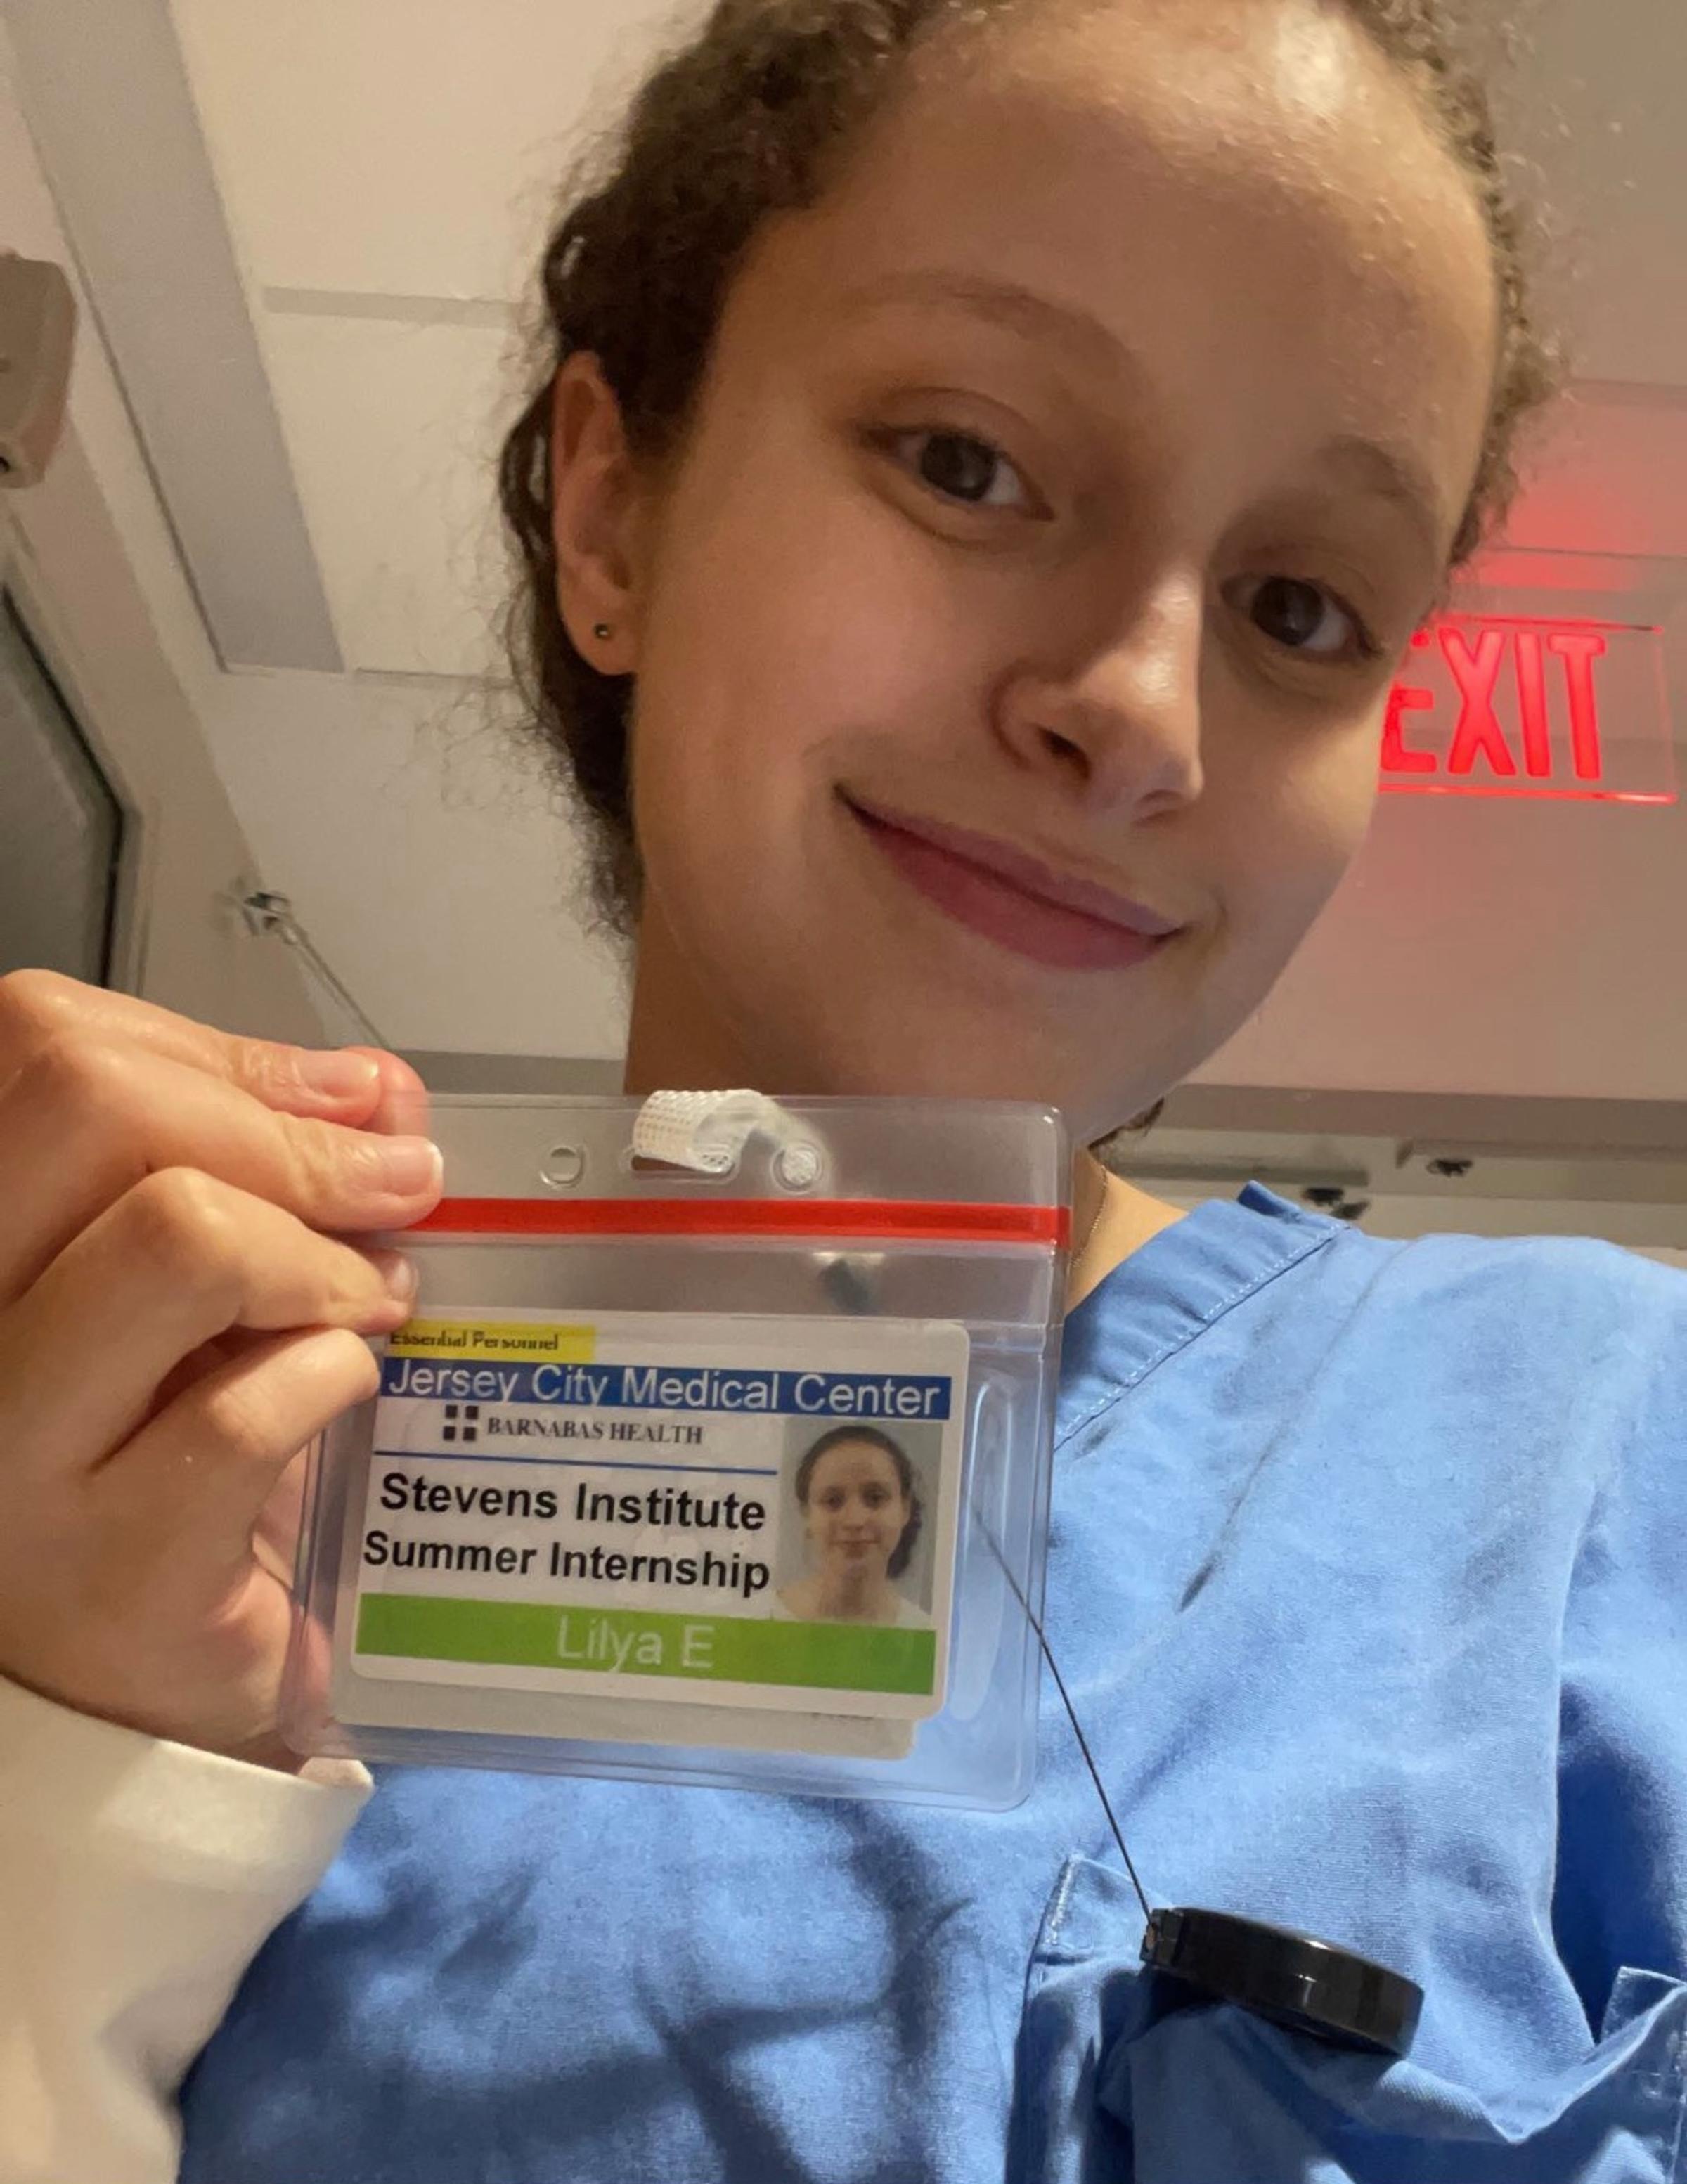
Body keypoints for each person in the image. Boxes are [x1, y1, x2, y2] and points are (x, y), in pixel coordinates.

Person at [1, 0, 1683, 2177]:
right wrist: (62, 1788)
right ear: (612, 511)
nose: (1143, 713)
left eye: (1296, 603)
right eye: (964, 459)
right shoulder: (151, 1444)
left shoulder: (1605, 1457)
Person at [773, 1426, 933, 1628]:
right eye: (832, 1501)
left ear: (905, 1509)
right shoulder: (758, 1618)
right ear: (807, 1513)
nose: (855, 1520)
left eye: (875, 1498)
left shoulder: (923, 1631)